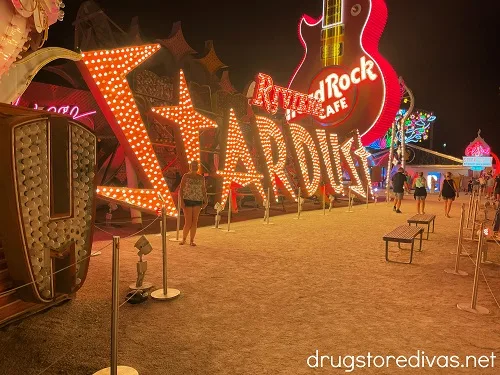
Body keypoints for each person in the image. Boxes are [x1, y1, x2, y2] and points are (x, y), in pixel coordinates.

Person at [178, 160, 208, 246]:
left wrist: (206, 200)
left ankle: (191, 240)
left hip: (198, 200)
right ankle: (184, 239)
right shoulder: (186, 176)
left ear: (198, 167)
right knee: (188, 221)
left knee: (195, 221)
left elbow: (203, 189)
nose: (194, 167)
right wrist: (181, 201)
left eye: (196, 165)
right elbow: (181, 189)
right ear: (190, 167)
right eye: (193, 165)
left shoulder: (201, 177)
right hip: (187, 200)